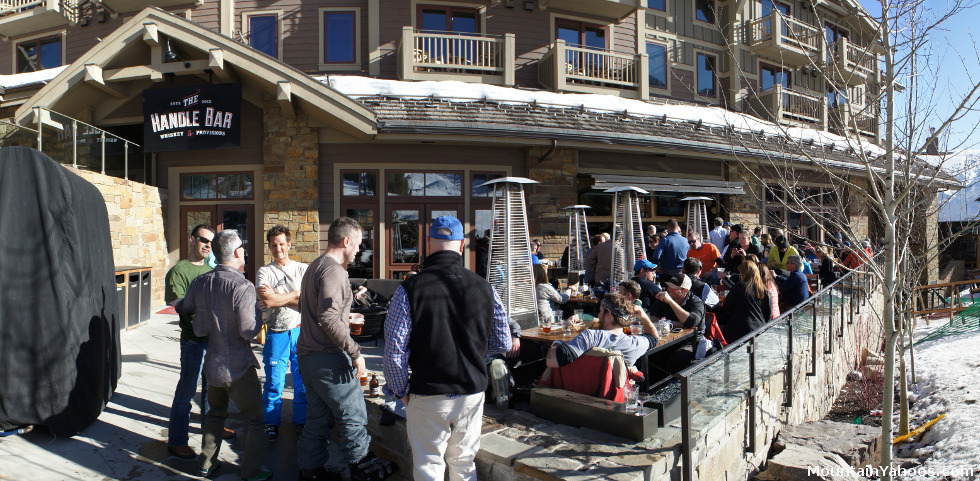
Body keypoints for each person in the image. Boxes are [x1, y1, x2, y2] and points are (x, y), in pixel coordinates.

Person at [383, 215, 512, 480]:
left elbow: (394, 351)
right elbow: (504, 342)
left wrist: (400, 390)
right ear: (462, 245)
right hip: (471, 393)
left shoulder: (409, 289)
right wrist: (474, 351)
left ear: (429, 244)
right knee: (464, 465)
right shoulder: (485, 288)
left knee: (428, 467)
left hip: (428, 394)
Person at [297, 217, 397, 481]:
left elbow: (317, 311)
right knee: (353, 414)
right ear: (346, 240)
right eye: (359, 244)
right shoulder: (334, 271)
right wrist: (355, 351)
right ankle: (362, 469)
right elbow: (327, 317)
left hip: (308, 359)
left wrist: (346, 318)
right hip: (328, 359)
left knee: (318, 419)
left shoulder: (315, 266)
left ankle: (311, 472)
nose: (359, 250)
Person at [174, 230, 271, 481]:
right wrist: (264, 312)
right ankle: (251, 471)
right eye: (243, 248)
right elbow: (249, 331)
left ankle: (206, 464)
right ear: (237, 253)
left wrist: (180, 303)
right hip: (238, 366)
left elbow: (183, 306)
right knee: (256, 421)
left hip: (212, 363)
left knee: (215, 414)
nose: (245, 252)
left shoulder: (200, 282)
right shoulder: (243, 286)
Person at [166, 224, 234, 459]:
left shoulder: (211, 270)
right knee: (186, 392)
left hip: (214, 341)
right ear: (192, 240)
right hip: (194, 342)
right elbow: (180, 305)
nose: (208, 246)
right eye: (204, 240)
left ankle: (212, 428)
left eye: (211, 242)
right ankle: (177, 440)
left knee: (211, 391)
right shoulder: (179, 271)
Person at [256, 225, 308, 441]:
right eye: (274, 245)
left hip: (300, 332)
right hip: (276, 332)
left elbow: (308, 302)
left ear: (289, 245)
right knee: (274, 382)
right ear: (269, 247)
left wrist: (280, 296)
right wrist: (296, 294)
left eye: (281, 244)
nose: (278, 248)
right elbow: (267, 301)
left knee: (302, 382)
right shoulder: (264, 271)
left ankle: (301, 422)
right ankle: (271, 422)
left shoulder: (303, 269)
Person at [546, 293, 658, 368]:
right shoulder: (634, 344)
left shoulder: (591, 337)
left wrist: (557, 343)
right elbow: (654, 338)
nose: (598, 315)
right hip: (612, 397)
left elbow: (552, 361)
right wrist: (643, 316)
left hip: (577, 394)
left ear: (608, 313)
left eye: (600, 311)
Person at [650, 273, 706, 371]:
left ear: (685, 291)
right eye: (668, 286)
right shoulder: (664, 299)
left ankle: (677, 385)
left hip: (690, 341)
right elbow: (652, 317)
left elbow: (691, 322)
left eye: (673, 288)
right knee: (649, 357)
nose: (669, 290)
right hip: (667, 339)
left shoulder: (696, 303)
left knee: (677, 360)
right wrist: (672, 323)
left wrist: (671, 302)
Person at [718, 261, 771, 343]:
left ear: (744, 274)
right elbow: (768, 313)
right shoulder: (764, 290)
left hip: (739, 330)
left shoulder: (739, 287)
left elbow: (726, 306)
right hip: (760, 328)